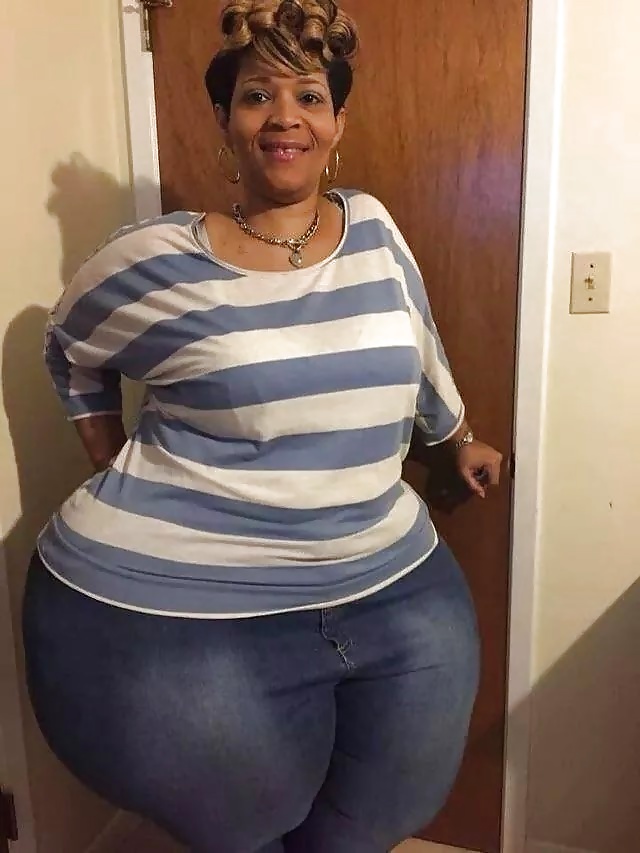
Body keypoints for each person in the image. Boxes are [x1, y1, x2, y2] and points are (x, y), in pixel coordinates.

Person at [22, 1, 503, 851]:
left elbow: (418, 341)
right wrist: (108, 454)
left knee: (379, 810)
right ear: (225, 119)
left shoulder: (373, 227)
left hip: (384, 569)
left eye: (309, 96)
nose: (285, 116)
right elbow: (67, 346)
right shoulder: (159, 258)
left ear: (337, 121)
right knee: (247, 819)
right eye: (257, 95)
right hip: (198, 594)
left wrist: (457, 438)